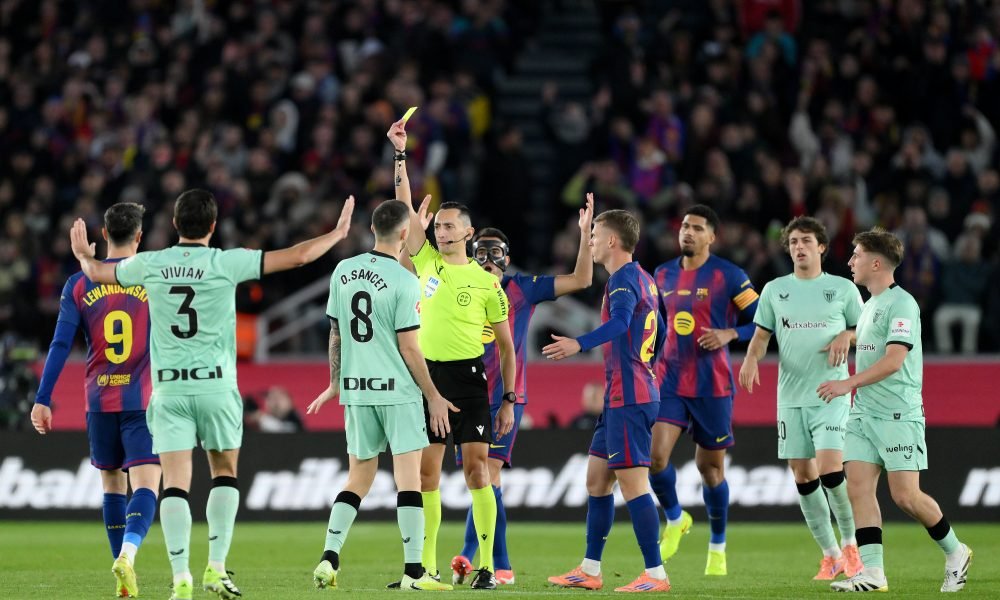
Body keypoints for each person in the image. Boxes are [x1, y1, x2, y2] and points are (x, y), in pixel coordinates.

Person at [69, 189, 354, 600]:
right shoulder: (225, 262)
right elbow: (296, 256)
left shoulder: (151, 263)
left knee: (175, 484)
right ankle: (216, 568)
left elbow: (97, 274)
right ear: (213, 226)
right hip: (215, 387)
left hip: (169, 390)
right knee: (224, 473)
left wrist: (83, 255)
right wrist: (337, 234)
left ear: (174, 224)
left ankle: (181, 575)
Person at [391, 118, 518, 590]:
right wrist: (400, 155)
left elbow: (506, 347)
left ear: (467, 233)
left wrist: (509, 400)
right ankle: (425, 568)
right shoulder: (425, 260)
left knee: (476, 471)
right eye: (438, 226)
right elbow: (404, 206)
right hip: (427, 379)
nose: (440, 232)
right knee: (426, 475)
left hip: (468, 381)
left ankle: (486, 566)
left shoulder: (488, 284)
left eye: (449, 226)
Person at [306, 199, 456, 591]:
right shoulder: (406, 282)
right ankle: (414, 573)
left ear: (373, 229)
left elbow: (336, 332)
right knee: (408, 481)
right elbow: (409, 348)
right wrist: (433, 394)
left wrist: (335, 382)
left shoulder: (343, 270)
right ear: (406, 233)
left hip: (357, 391)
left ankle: (329, 557)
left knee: (358, 477)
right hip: (397, 392)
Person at [449, 194, 595, 586]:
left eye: (495, 253)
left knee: (488, 474)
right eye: (481, 252)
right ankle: (492, 563)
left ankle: (481, 559)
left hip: (505, 396)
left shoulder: (523, 289)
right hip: (465, 395)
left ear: (507, 259)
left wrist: (584, 236)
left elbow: (582, 279)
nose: (488, 260)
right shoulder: (456, 287)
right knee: (479, 479)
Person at [817, 229, 973, 593]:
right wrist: (846, 336)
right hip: (863, 414)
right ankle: (873, 573)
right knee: (858, 489)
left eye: (856, 255)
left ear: (876, 263)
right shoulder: (869, 305)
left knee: (905, 496)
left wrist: (848, 383)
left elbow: (893, 361)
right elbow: (868, 340)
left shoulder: (902, 304)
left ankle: (956, 551)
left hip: (898, 414)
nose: (850, 261)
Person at [32, 202, 161, 598]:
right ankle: (127, 555)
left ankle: (123, 579)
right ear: (139, 236)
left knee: (111, 484)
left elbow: (60, 344)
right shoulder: (153, 276)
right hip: (143, 400)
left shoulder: (78, 283)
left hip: (99, 401)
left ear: (104, 234)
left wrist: (43, 398)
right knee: (147, 483)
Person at [543, 209, 671, 593]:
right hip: (622, 394)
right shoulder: (645, 279)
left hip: (629, 397)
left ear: (613, 241)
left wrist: (579, 343)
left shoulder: (622, 280)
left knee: (633, 486)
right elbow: (662, 330)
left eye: (595, 236)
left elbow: (620, 323)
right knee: (597, 481)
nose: (591, 241)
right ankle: (589, 569)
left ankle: (656, 574)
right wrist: (646, 365)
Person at [738, 216, 864, 580]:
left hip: (831, 392)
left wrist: (846, 335)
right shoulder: (775, 290)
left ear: (821, 247)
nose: (799, 247)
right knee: (802, 473)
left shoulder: (842, 289)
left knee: (829, 468)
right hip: (791, 396)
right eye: (793, 242)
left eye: (806, 240)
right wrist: (750, 358)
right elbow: (762, 336)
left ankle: (851, 544)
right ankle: (830, 555)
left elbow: (866, 329)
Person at [649, 204, 759, 575]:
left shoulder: (730, 276)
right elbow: (656, 323)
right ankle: (675, 518)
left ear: (712, 236)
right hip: (669, 380)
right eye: (684, 226)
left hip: (712, 384)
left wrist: (731, 333)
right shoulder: (662, 274)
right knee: (655, 458)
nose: (688, 232)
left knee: (709, 470)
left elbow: (763, 321)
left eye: (697, 228)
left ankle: (717, 547)